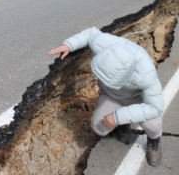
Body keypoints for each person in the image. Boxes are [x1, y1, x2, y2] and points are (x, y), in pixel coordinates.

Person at [48, 27, 164, 167]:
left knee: (153, 124)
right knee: (99, 127)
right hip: (112, 95)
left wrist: (117, 117)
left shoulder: (147, 74)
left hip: (136, 98)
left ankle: (154, 141)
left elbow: (155, 107)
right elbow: (90, 33)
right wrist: (69, 44)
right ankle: (123, 125)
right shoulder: (106, 45)